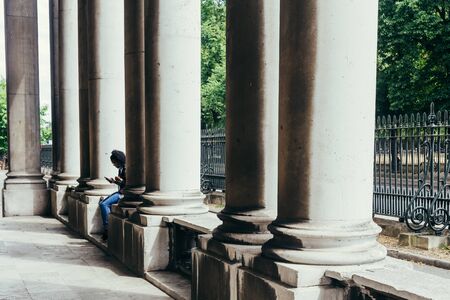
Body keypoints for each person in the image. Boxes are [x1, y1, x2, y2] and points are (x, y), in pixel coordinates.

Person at [99, 150, 126, 241]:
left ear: (119, 160)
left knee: (104, 204)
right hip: (121, 192)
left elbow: (130, 184)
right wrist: (114, 181)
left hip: (124, 194)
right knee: (103, 203)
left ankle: (107, 228)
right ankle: (107, 227)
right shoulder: (121, 169)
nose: (114, 165)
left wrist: (121, 181)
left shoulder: (126, 169)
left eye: (114, 162)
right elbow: (122, 183)